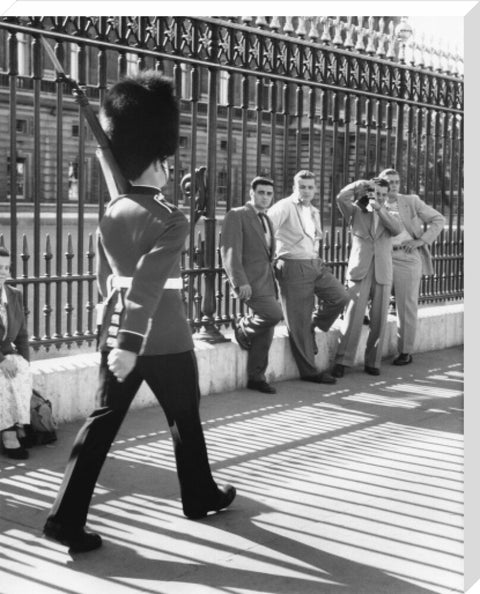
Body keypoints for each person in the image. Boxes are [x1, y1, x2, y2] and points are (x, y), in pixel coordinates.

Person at [43, 71, 235, 553]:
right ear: (158, 160)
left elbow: (107, 273)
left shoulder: (112, 211)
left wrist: (117, 337)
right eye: (167, 160)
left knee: (100, 426)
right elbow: (149, 283)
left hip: (117, 337)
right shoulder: (172, 217)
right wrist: (131, 344)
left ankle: (65, 518)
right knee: (185, 420)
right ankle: (198, 493)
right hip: (164, 339)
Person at [267, 170, 350, 384]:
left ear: (315, 189)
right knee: (298, 320)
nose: (306, 191)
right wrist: (272, 258)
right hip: (293, 266)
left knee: (341, 297)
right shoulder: (283, 206)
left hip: (315, 264)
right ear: (295, 187)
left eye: (310, 187)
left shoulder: (313, 210)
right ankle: (309, 371)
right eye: (302, 186)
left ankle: (315, 324)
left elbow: (314, 237)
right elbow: (265, 229)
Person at [332, 177, 402, 377]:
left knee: (379, 319)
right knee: (353, 317)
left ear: (386, 196)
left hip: (382, 272)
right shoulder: (355, 211)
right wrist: (358, 185)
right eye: (374, 192)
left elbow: (396, 230)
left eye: (382, 194)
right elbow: (340, 198)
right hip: (360, 271)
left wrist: (379, 208)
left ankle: (373, 361)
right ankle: (343, 360)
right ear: (368, 192)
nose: (378, 196)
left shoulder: (391, 213)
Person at [220, 176, 283, 394]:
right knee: (273, 315)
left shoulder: (267, 219)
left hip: (267, 281)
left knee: (267, 330)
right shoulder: (237, 215)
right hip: (249, 282)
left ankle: (256, 377)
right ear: (251, 193)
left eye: (269, 193)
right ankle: (243, 328)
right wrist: (240, 282)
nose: (265, 197)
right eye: (261, 193)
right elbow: (230, 252)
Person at [378, 168, 445, 365]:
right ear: (380, 184)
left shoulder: (410, 201)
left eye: (397, 181)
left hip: (406, 257)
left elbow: (438, 219)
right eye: (389, 181)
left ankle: (405, 351)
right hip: (381, 256)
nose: (394, 185)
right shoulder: (375, 202)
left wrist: (421, 241)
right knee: (368, 295)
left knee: (406, 305)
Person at [0, 247, 33, 460]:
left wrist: (25, 362)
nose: (4, 271)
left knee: (21, 370)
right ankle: (8, 434)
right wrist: (1, 360)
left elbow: (21, 334)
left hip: (6, 353)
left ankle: (20, 423)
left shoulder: (14, 294)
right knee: (2, 379)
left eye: (6, 267)